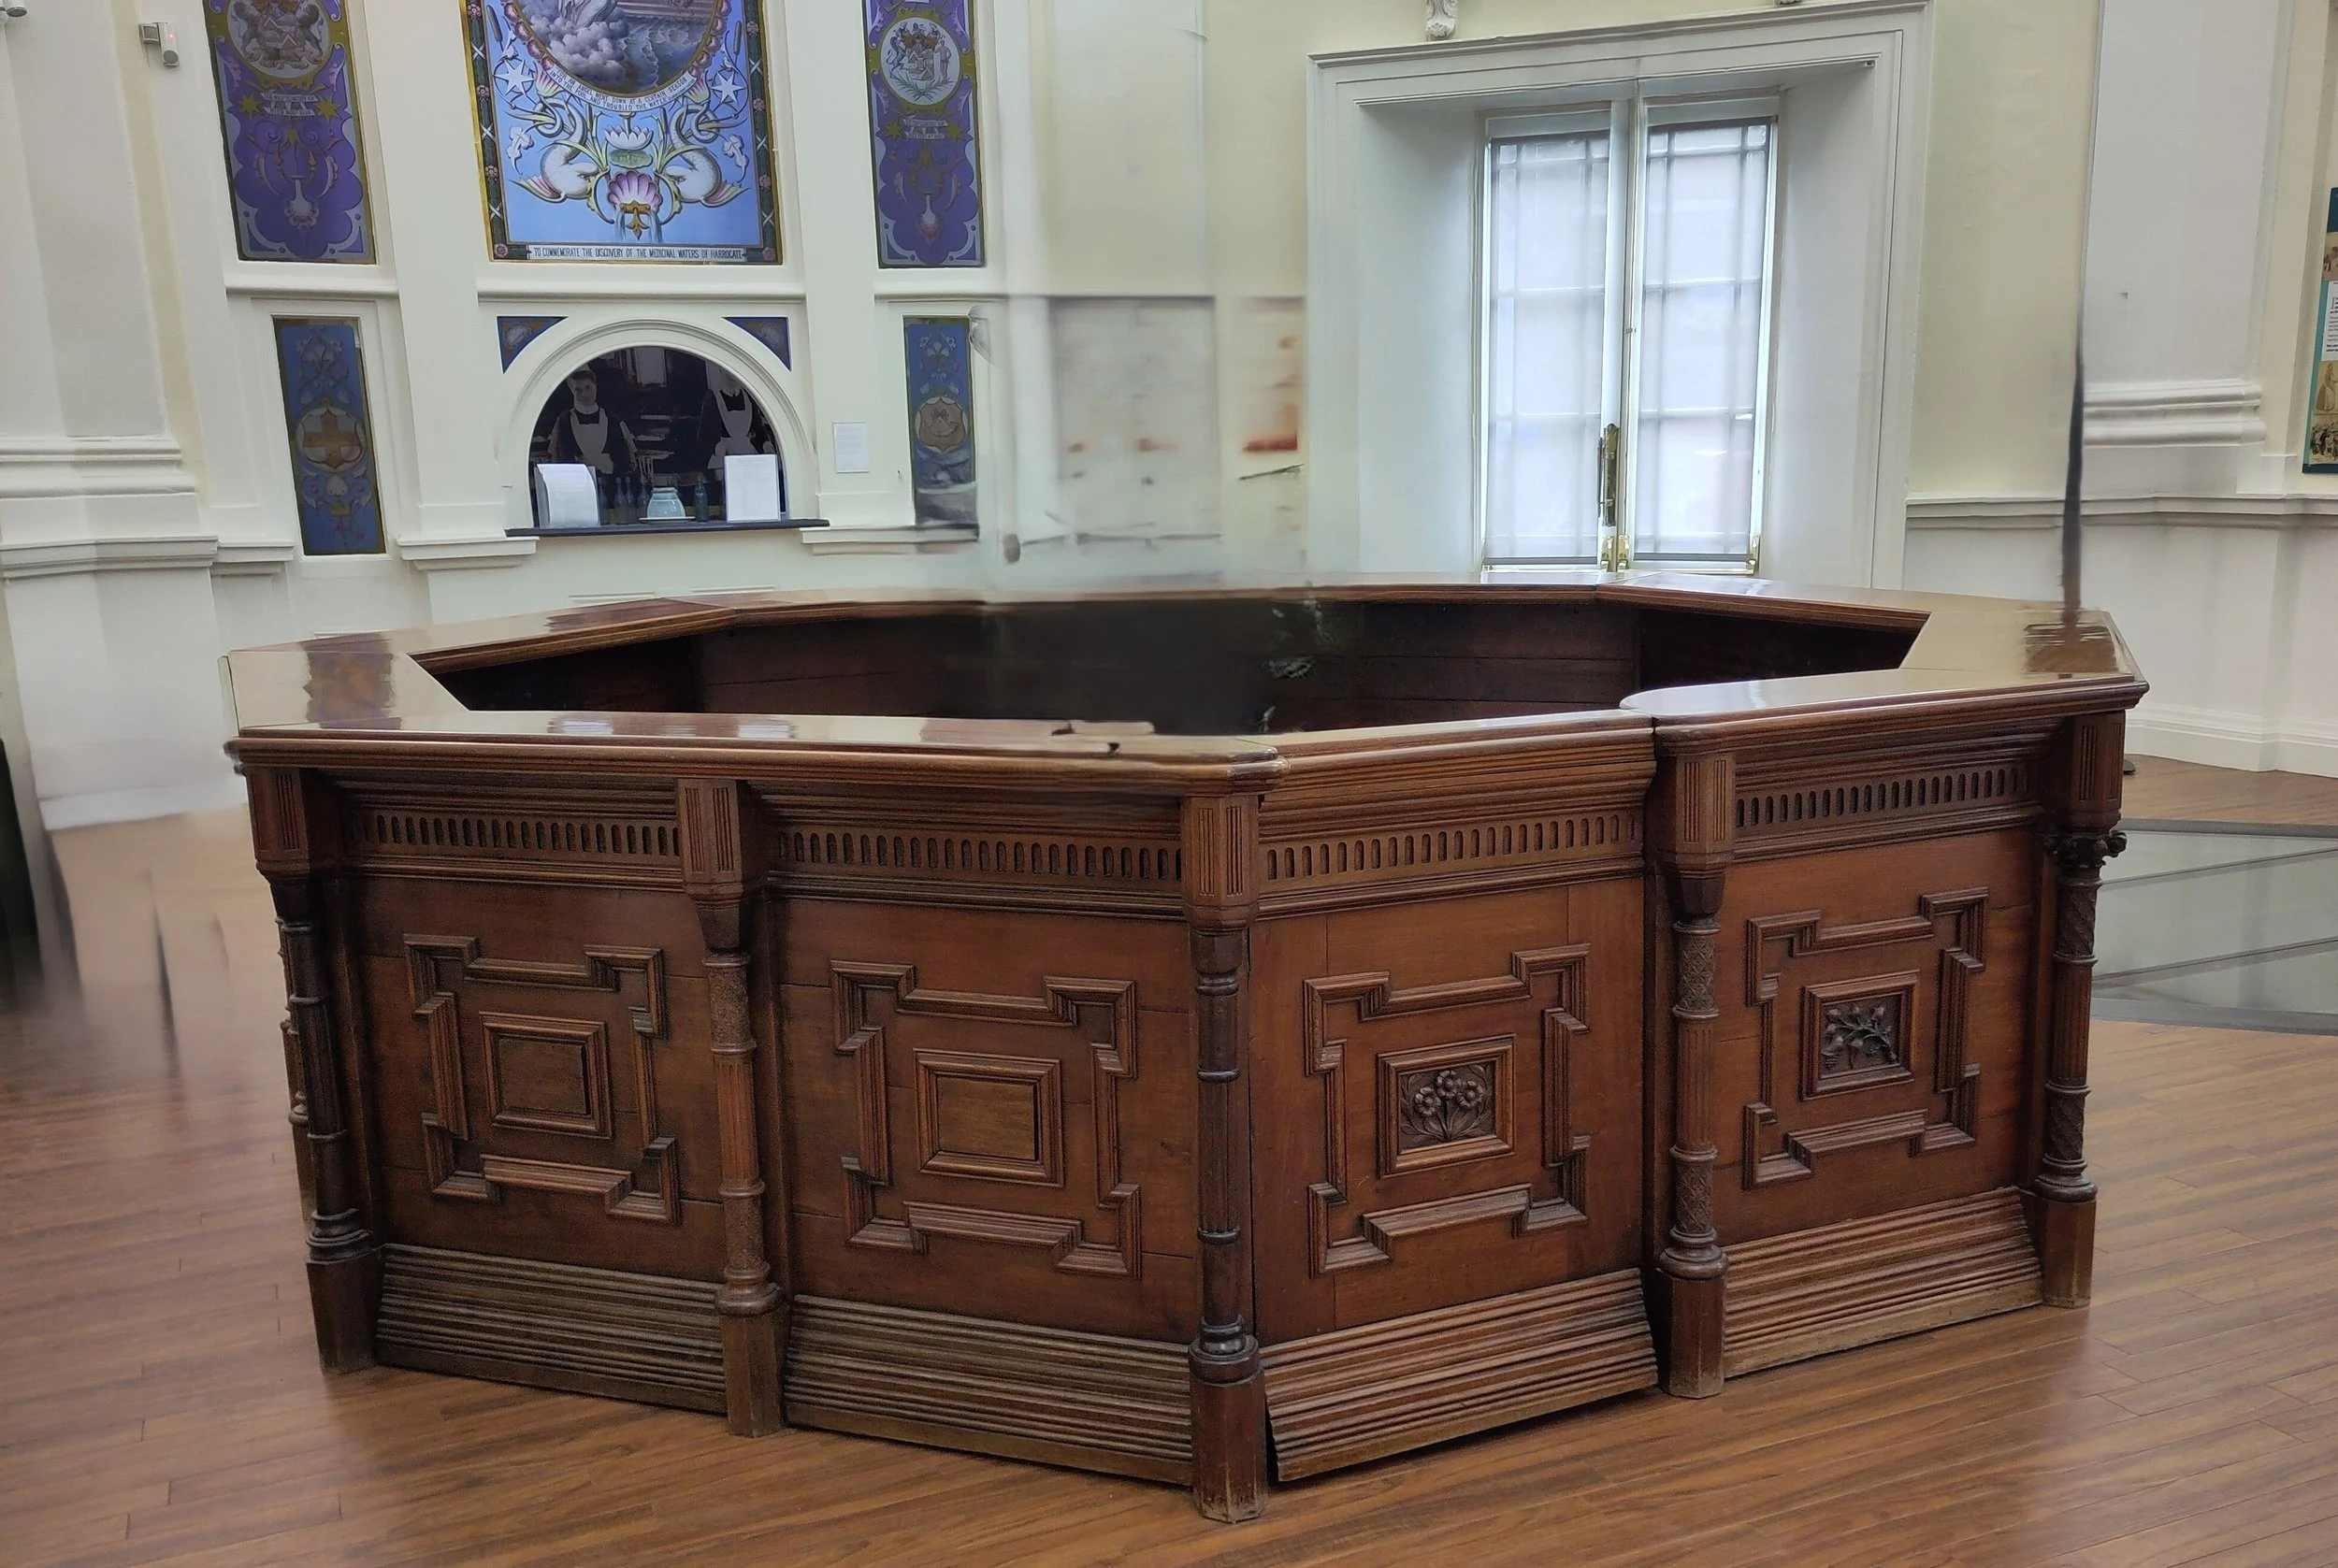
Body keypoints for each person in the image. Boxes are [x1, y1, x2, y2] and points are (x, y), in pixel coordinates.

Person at [544, 367, 641, 509]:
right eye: (578, 390)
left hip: (612, 487)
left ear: (595, 387)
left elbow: (625, 457)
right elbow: (558, 456)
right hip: (577, 489)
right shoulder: (564, 421)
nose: (584, 394)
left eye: (588, 388)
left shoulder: (611, 419)